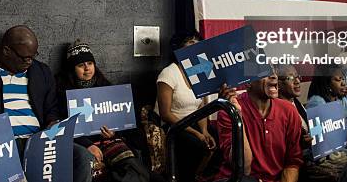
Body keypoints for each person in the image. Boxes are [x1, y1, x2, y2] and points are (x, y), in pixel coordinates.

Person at [0, 25, 92, 182]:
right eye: (25, 57)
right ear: (6, 51)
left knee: (81, 156)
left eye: (33, 56)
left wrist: (52, 123)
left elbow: (51, 109)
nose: (30, 62)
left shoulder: (41, 72)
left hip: (37, 142)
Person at [57, 40, 150, 182]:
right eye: (81, 65)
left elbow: (119, 119)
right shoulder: (63, 92)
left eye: (90, 63)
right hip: (82, 143)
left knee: (134, 169)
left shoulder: (105, 86)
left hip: (108, 140)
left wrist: (114, 132)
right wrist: (87, 144)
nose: (87, 68)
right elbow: (63, 125)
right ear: (72, 69)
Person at [217, 72, 303, 182]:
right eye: (265, 72)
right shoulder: (229, 112)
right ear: (248, 83)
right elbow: (244, 168)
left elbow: (293, 162)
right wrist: (237, 116)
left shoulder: (289, 110)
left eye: (274, 72)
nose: (274, 76)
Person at [154, 33, 215, 182]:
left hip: (195, 121)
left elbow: (201, 106)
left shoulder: (199, 69)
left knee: (216, 139)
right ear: (179, 49)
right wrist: (196, 134)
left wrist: (204, 131)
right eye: (190, 43)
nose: (195, 45)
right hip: (174, 125)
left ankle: (200, 175)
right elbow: (165, 114)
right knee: (197, 145)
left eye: (197, 42)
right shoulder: (168, 73)